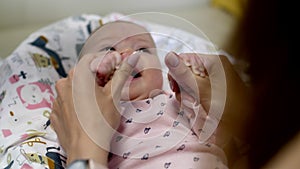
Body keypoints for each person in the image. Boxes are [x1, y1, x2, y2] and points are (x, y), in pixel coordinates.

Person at [50, 21, 250, 169]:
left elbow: (216, 136)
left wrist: (192, 81)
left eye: (143, 49)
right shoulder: (85, 116)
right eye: (108, 49)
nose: (128, 53)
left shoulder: (173, 100)